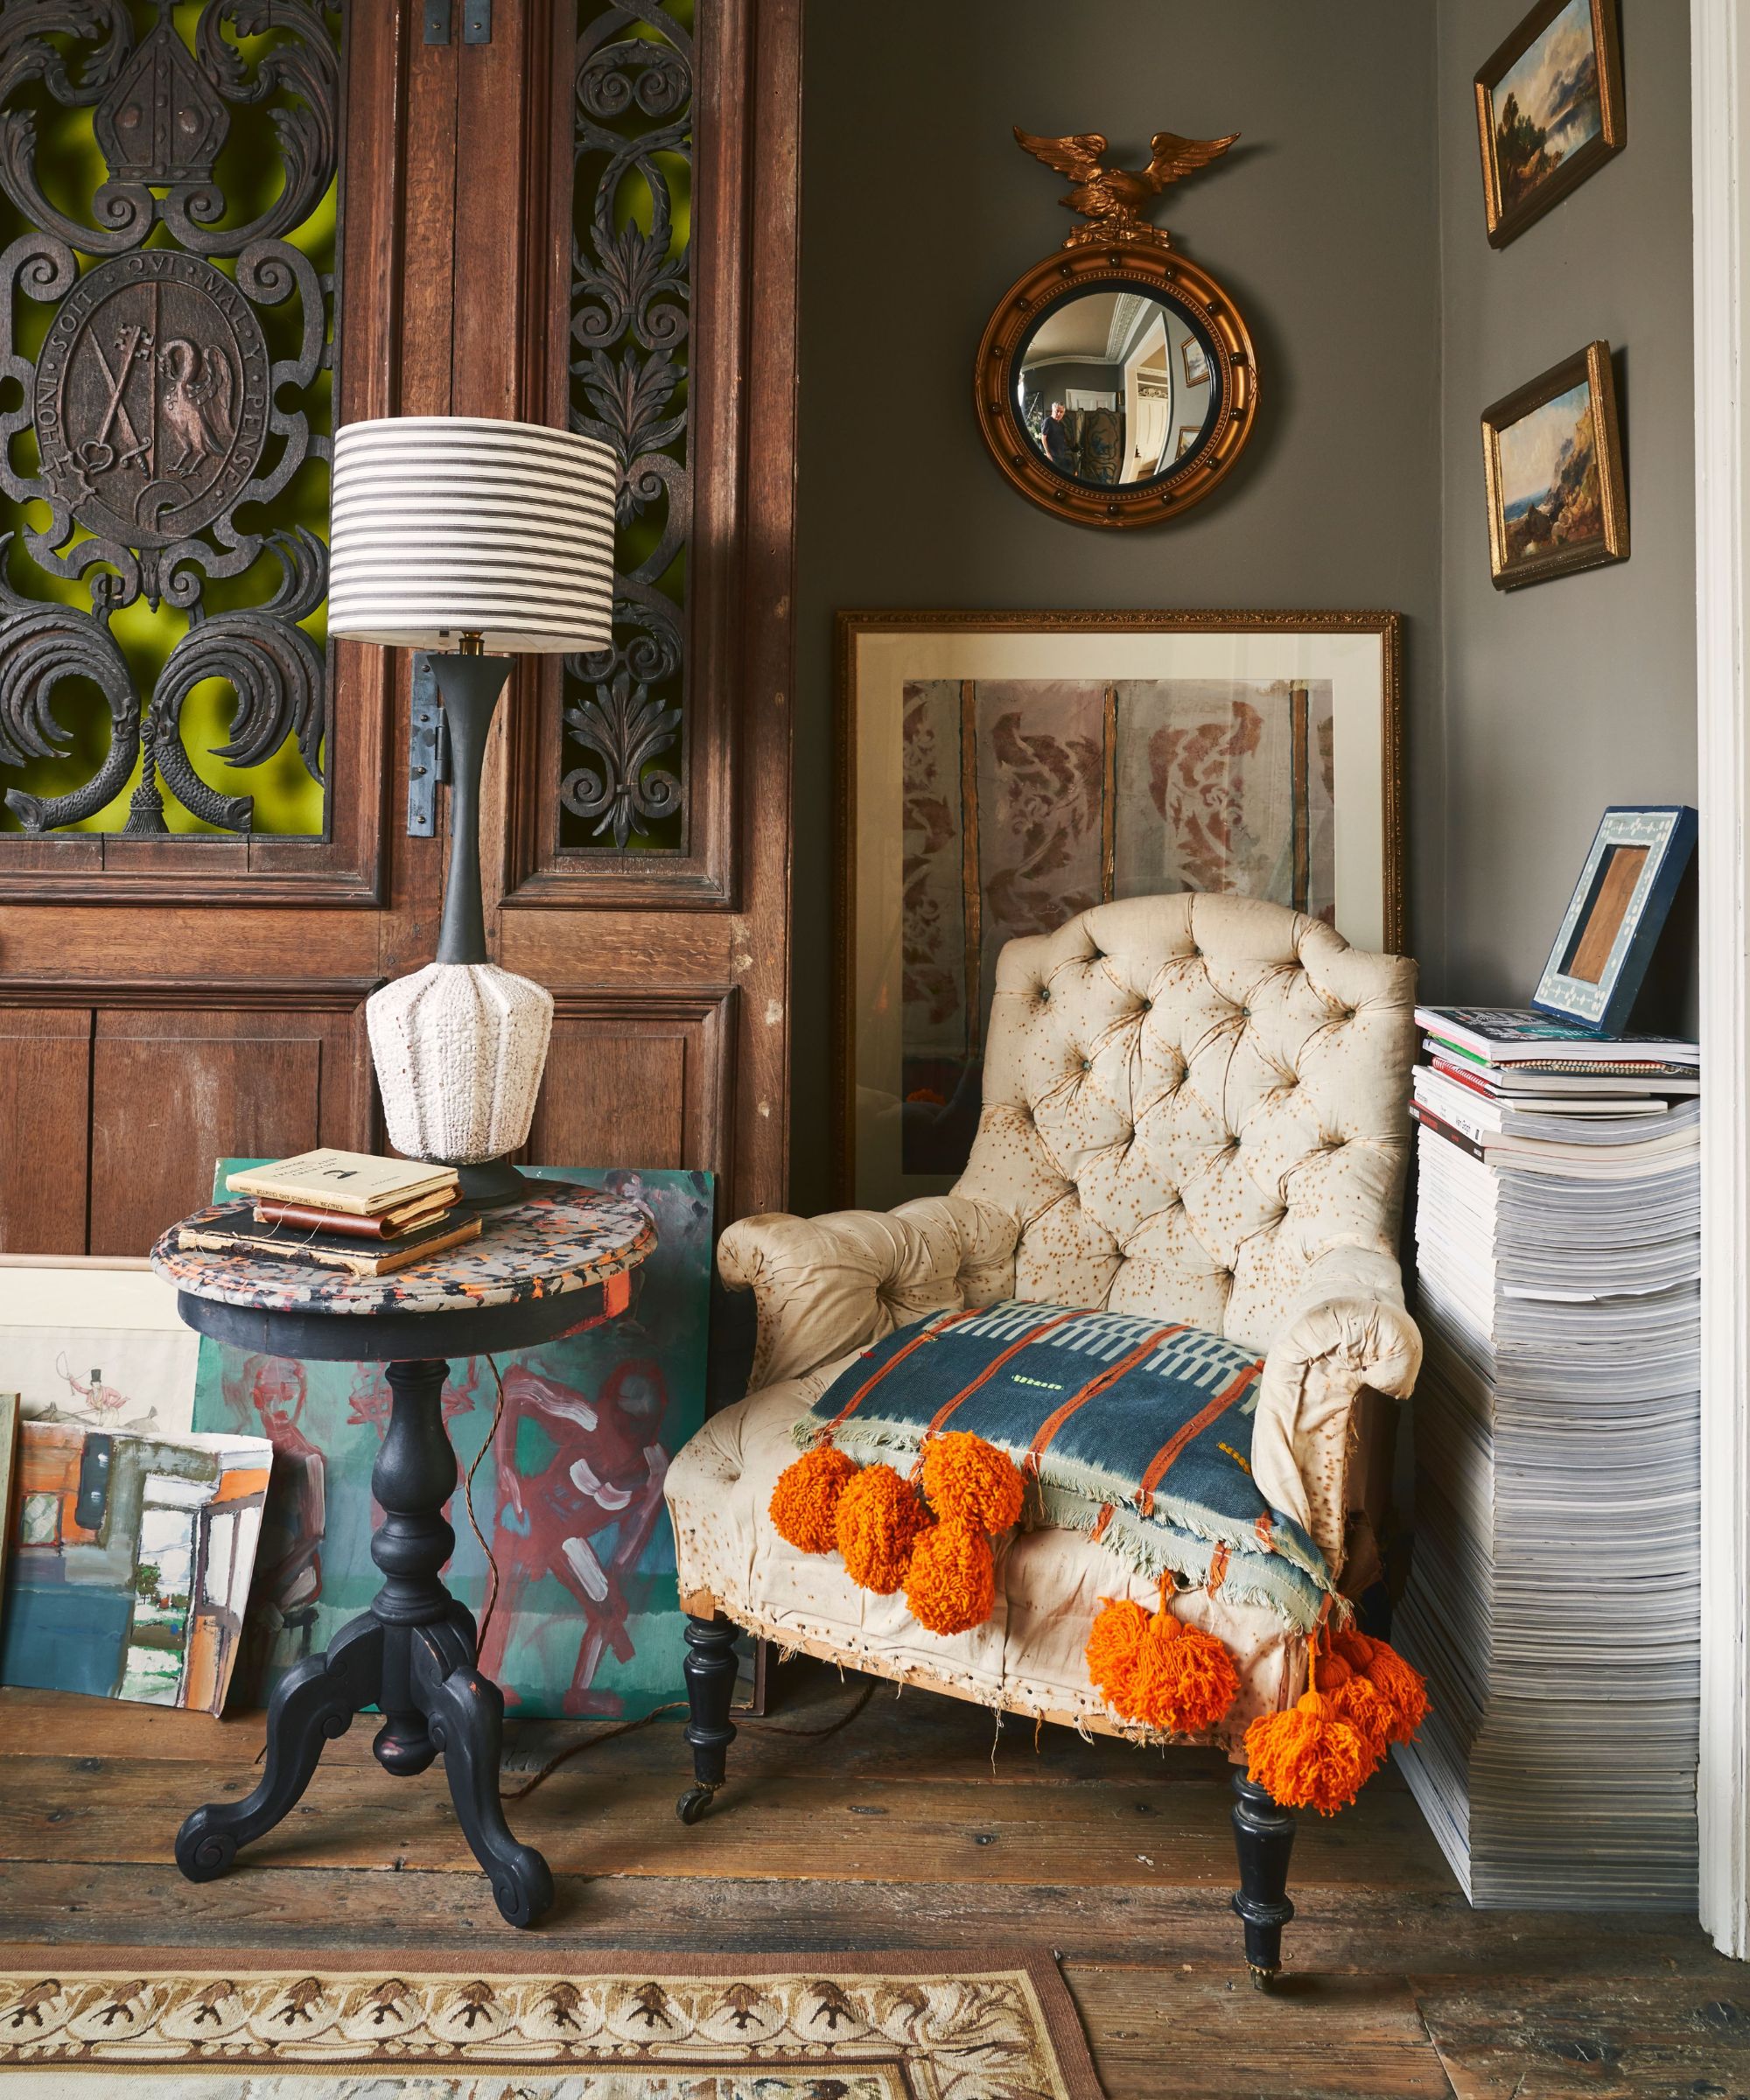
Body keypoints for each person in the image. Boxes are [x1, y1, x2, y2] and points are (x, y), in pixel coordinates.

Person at [1041, 400, 1076, 473]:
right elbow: (1043, 438)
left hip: (1061, 455)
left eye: (1061, 412)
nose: (1059, 414)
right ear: (1052, 410)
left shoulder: (1060, 424)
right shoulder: (1048, 421)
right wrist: (1047, 453)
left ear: (1064, 413)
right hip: (1053, 456)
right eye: (1057, 411)